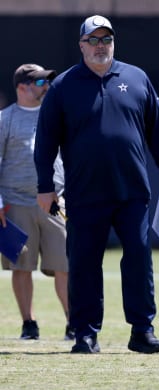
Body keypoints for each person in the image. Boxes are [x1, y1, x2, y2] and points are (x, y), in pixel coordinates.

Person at [33, 15, 159, 354]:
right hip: (85, 193)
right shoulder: (63, 86)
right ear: (81, 45)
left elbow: (158, 129)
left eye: (106, 40)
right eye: (94, 40)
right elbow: (46, 142)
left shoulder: (136, 78)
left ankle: (142, 330)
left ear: (113, 43)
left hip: (132, 192)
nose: (101, 46)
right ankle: (85, 333)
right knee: (83, 262)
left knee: (139, 259)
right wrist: (45, 187)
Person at [0, 63, 73, 341]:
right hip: (16, 202)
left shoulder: (54, 116)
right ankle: (28, 323)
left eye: (46, 82)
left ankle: (73, 322)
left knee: (64, 264)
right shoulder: (5, 119)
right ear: (22, 87)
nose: (45, 87)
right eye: (39, 83)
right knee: (21, 266)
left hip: (55, 199)